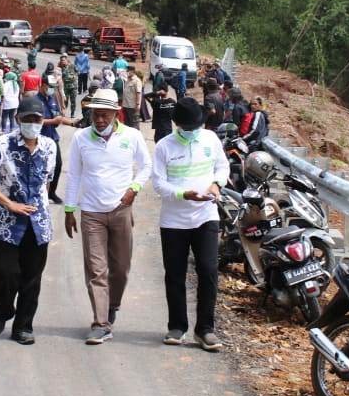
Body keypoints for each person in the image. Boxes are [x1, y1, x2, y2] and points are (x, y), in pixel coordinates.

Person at [63, 88, 151, 344]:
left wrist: (134, 189)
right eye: (95, 115)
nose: (99, 120)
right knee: (96, 269)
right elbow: (74, 175)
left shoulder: (132, 136)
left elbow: (146, 166)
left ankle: (112, 305)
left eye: (104, 115)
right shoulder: (81, 138)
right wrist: (70, 209)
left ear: (116, 113)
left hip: (121, 210)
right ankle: (100, 323)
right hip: (91, 213)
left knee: (121, 268)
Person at [0, 95, 56, 346]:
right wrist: (9, 203)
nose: (33, 123)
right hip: (6, 223)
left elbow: (48, 180)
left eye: (37, 119)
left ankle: (23, 326)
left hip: (37, 222)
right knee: (5, 273)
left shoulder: (49, 146)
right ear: (17, 119)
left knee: (32, 278)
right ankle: (3, 310)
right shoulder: (1, 145)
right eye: (27, 119)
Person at [151, 97, 229, 351]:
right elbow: (159, 184)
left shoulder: (210, 139)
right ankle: (177, 326)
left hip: (206, 216)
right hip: (174, 220)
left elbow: (222, 166)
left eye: (197, 125)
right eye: (189, 127)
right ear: (178, 124)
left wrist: (216, 184)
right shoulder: (164, 146)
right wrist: (183, 194)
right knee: (175, 274)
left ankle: (205, 329)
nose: (193, 130)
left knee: (208, 271)